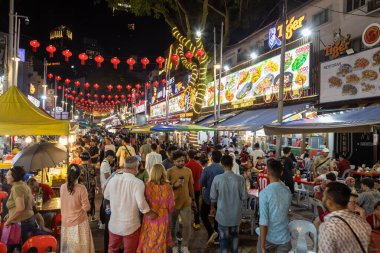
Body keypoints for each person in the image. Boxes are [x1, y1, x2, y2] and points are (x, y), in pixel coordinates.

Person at [104, 156, 157, 253]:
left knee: (112, 249)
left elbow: (106, 195)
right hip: (130, 225)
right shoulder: (138, 183)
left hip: (114, 223)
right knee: (130, 250)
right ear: (136, 167)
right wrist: (150, 213)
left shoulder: (113, 179)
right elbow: (141, 204)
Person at [318, 182, 371, 253]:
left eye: (324, 196)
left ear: (329, 203)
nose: (322, 198)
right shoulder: (362, 222)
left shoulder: (329, 227)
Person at [210, 155, 247, 253]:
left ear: (222, 165)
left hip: (222, 215)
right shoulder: (240, 179)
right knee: (235, 237)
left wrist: (212, 208)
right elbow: (244, 197)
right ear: (232, 164)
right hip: (236, 214)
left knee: (223, 239)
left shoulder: (217, 178)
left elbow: (213, 197)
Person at [137, 164, 175, 253]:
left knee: (148, 236)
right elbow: (171, 206)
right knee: (160, 238)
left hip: (149, 215)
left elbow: (142, 201)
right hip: (163, 216)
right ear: (163, 173)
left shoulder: (147, 186)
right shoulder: (168, 187)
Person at [257, 159, 292, 253]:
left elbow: (263, 221)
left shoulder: (264, 193)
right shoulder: (287, 191)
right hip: (285, 239)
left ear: (267, 172)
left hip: (269, 239)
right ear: (281, 173)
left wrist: (262, 246)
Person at [60, 164, 95, 253]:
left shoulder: (62, 187)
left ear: (67, 173)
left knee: (68, 248)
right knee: (81, 248)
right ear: (79, 175)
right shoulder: (81, 188)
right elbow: (87, 207)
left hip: (65, 222)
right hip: (79, 222)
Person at [167, 151, 195, 253]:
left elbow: (190, 187)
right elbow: (165, 188)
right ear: (174, 161)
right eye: (178, 161)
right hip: (173, 203)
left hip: (186, 202)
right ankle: (174, 244)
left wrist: (193, 200)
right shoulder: (169, 172)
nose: (181, 163)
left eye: (183, 160)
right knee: (172, 225)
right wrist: (175, 185)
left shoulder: (188, 171)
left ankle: (184, 245)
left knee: (187, 225)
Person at [4, 166, 35, 252]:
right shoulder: (23, 184)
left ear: (14, 176)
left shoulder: (17, 187)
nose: (6, 176)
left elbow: (20, 208)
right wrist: (10, 214)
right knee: (26, 248)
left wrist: (9, 220)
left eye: (8, 175)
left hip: (22, 223)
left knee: (15, 248)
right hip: (28, 220)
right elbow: (32, 203)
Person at [201, 150, 224, 244]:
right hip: (220, 197)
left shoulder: (207, 169)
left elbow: (202, 182)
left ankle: (211, 232)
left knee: (203, 215)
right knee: (217, 217)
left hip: (208, 197)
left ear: (211, 158)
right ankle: (217, 236)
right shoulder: (223, 170)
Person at [185, 149, 202, 230]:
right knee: (196, 205)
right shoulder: (199, 165)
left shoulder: (186, 166)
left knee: (187, 205)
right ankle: (197, 222)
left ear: (188, 156)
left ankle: (186, 221)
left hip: (188, 188)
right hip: (197, 188)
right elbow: (200, 177)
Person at [99, 150, 114, 229]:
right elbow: (106, 176)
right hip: (105, 187)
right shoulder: (105, 164)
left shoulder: (105, 163)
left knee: (103, 204)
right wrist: (114, 175)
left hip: (105, 186)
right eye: (112, 158)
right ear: (109, 156)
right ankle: (103, 222)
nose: (112, 160)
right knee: (105, 205)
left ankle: (102, 221)